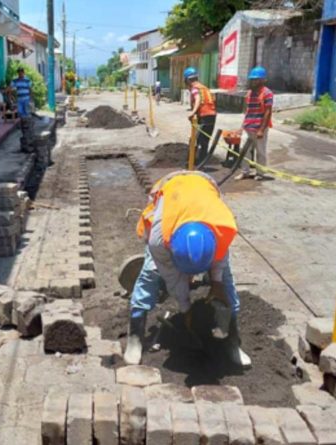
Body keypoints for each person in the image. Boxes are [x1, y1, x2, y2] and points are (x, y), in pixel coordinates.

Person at [124, 170, 251, 368]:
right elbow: (173, 279)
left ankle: (233, 341)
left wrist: (216, 284)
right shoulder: (160, 239)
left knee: (227, 284)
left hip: (204, 185)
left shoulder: (223, 228)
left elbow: (220, 261)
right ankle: (135, 338)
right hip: (169, 189)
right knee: (150, 274)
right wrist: (186, 308)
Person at [236, 66, 273, 180]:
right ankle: (245, 171)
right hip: (248, 126)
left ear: (263, 80)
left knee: (260, 151)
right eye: (252, 79)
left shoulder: (267, 93)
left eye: (256, 79)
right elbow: (248, 111)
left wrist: (261, 129)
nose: (253, 81)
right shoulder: (250, 93)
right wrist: (242, 127)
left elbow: (268, 112)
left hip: (259, 128)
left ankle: (260, 173)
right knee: (244, 150)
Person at [184, 67, 217, 166]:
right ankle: (201, 163)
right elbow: (213, 101)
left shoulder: (195, 89)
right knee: (205, 141)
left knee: (194, 140)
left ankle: (191, 162)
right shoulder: (204, 88)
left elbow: (198, 99)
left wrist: (193, 112)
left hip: (204, 116)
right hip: (212, 115)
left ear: (187, 80)